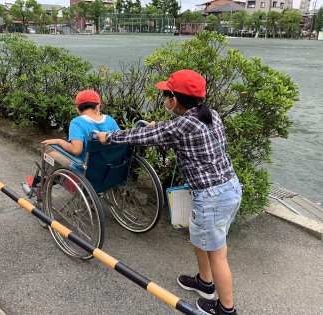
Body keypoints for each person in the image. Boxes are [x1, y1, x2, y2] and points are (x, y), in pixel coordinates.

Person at [96, 70, 242, 315]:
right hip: (229, 188)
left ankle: (226, 309)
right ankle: (205, 284)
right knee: (201, 240)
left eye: (166, 94)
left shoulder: (182, 125)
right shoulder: (210, 114)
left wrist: (107, 136)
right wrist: (161, 126)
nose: (164, 98)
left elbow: (141, 135)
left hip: (211, 197)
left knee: (218, 253)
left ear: (174, 99)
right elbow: (174, 130)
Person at [41, 89, 120, 161]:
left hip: (84, 170)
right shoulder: (110, 120)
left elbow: (76, 151)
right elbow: (120, 144)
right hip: (110, 169)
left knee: (49, 153)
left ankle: (52, 177)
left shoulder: (77, 123)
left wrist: (59, 141)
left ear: (77, 108)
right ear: (98, 106)